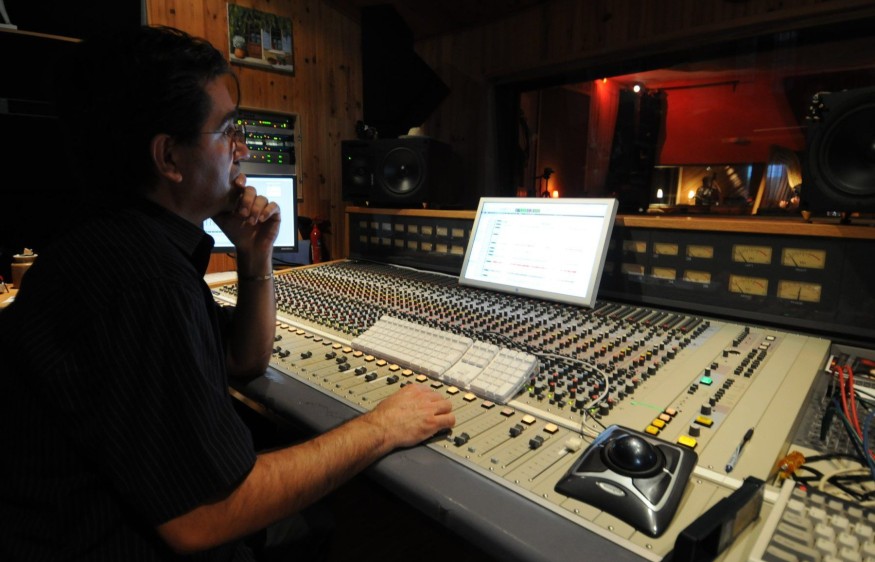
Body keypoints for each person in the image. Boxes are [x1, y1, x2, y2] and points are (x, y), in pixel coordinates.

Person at [0, 25, 455, 560]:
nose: (243, 149)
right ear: (169, 158)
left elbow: (242, 358)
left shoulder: (116, 240)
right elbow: (206, 514)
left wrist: (254, 255)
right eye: (228, 131)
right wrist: (380, 427)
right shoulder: (145, 280)